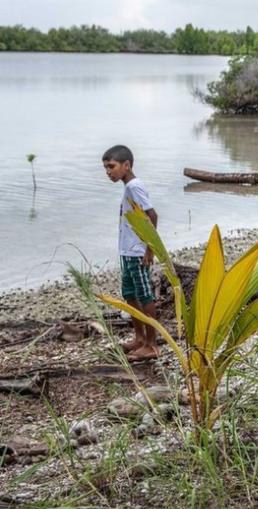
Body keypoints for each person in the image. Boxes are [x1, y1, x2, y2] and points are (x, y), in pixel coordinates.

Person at [103, 145, 160, 361]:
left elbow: (152, 216)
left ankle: (151, 344)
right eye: (106, 168)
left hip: (137, 252)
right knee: (128, 293)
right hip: (127, 250)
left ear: (126, 165)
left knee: (144, 295)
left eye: (112, 166)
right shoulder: (128, 188)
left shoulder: (135, 187)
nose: (108, 171)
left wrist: (149, 250)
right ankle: (139, 338)